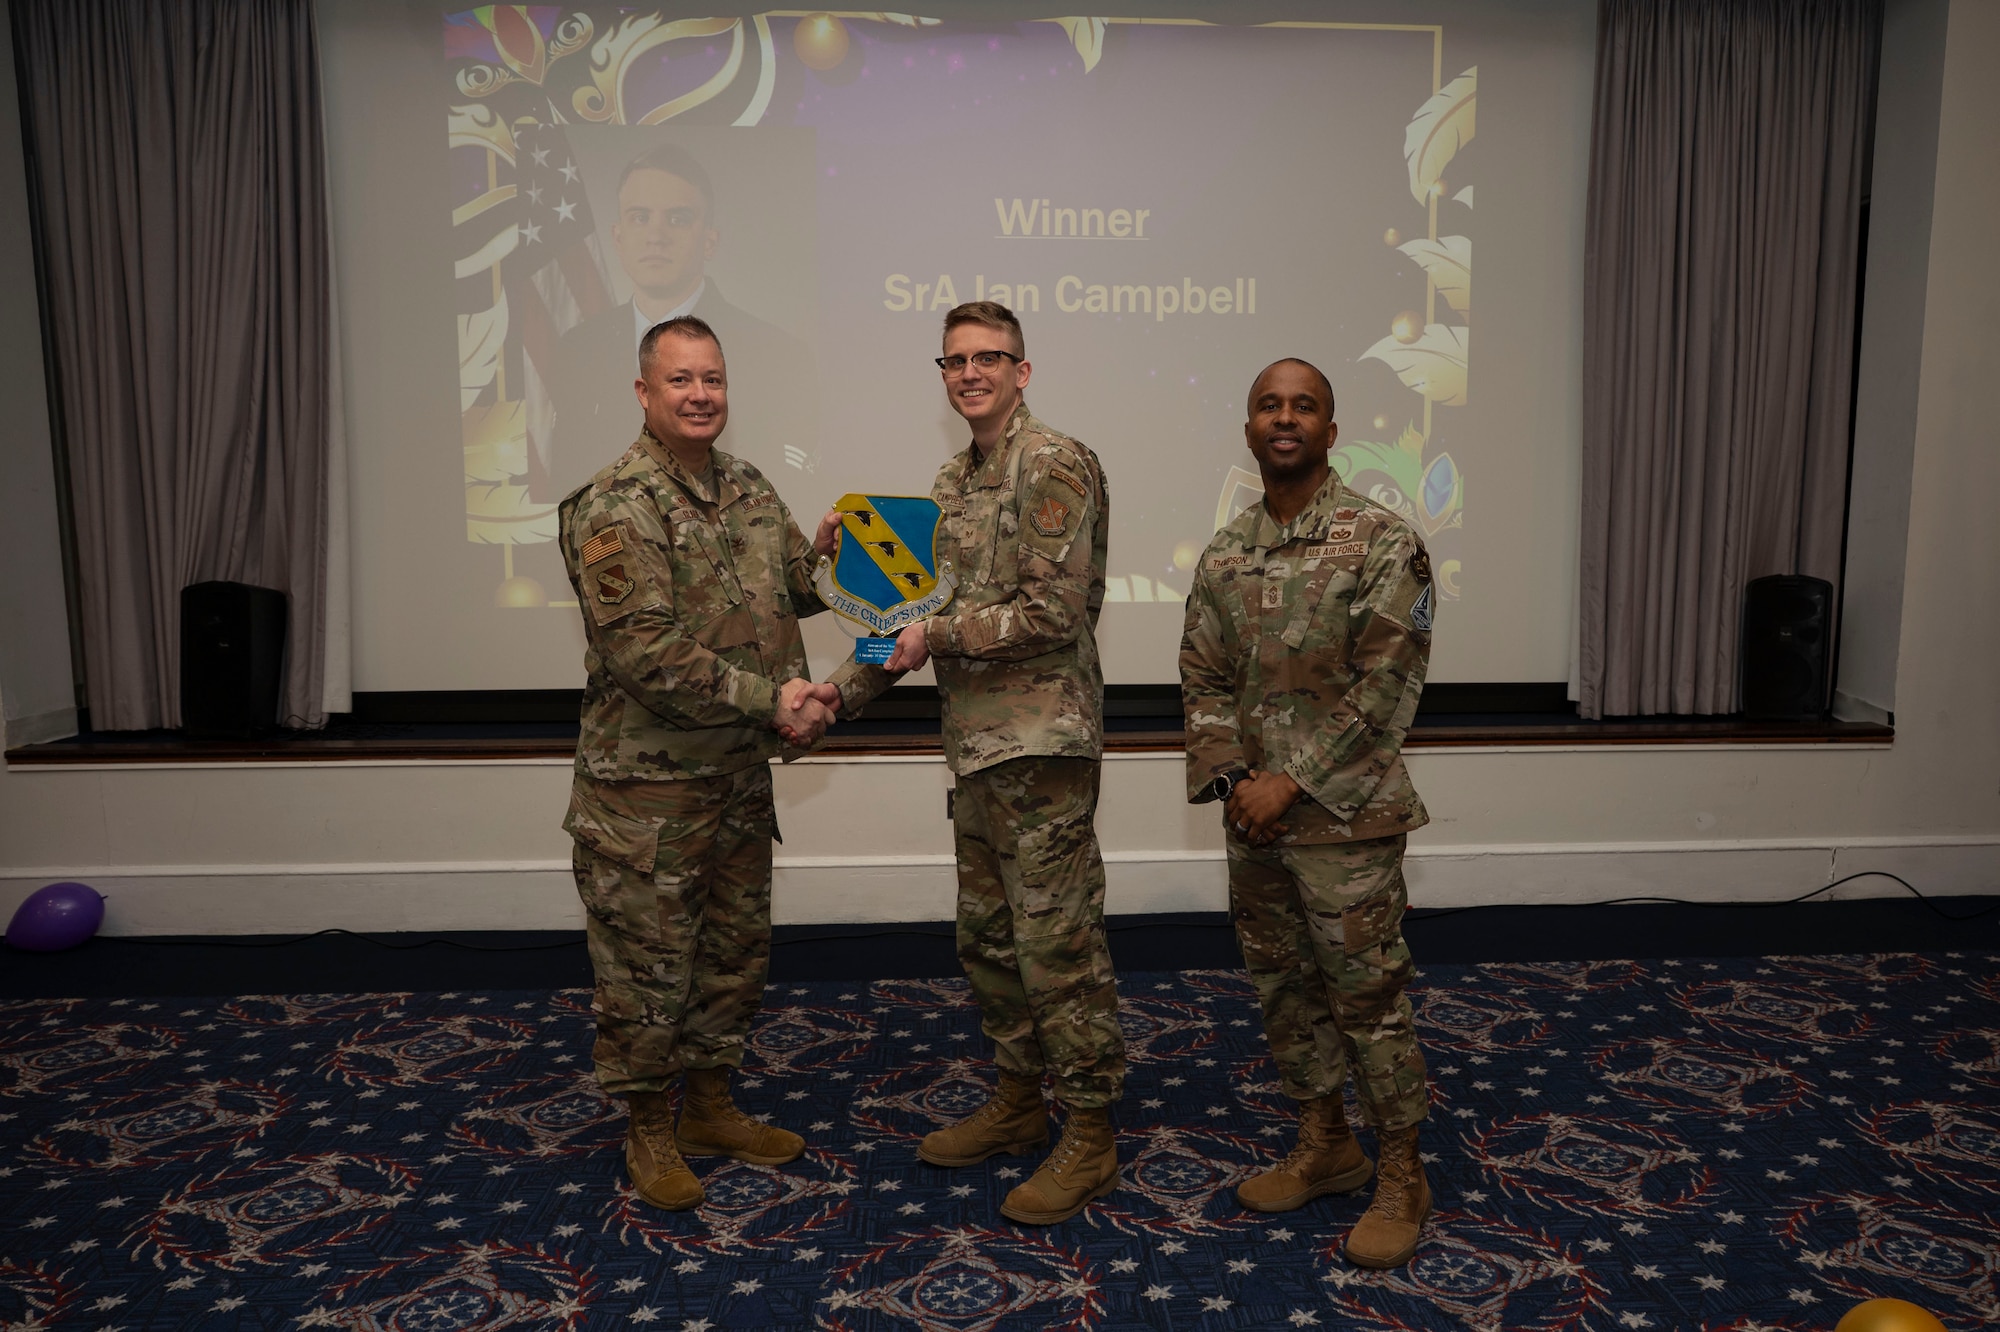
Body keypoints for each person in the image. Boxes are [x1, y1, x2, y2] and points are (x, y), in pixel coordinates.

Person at [802, 301, 1124, 1225]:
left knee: (1057, 949)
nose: (971, 373)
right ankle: (1020, 1102)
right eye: (955, 361)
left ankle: (1091, 1133)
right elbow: (905, 622)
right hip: (978, 754)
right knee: (988, 943)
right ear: (942, 375)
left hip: (1043, 750)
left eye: (990, 357)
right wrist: (835, 695)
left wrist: (934, 636)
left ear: (1023, 370)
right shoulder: (950, 484)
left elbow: (1053, 613)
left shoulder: (1054, 462)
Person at [556, 315, 836, 1212]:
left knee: (731, 957)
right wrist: (772, 700)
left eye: (711, 378)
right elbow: (645, 650)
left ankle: (710, 1107)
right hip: (648, 797)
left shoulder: (747, 485)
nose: (700, 394)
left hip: (735, 780)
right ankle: (648, 1124)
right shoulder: (615, 504)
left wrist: (834, 557)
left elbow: (791, 587)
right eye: (680, 380)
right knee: (647, 972)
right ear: (645, 393)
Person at [1178, 357, 1437, 1269]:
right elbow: (1203, 678)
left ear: (1331, 431)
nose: (1284, 418)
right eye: (1268, 405)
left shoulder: (1382, 541)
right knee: (1284, 991)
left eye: (1304, 406)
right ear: (1249, 429)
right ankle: (1326, 1144)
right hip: (1254, 820)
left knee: (1368, 1000)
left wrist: (1288, 782)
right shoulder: (1225, 551)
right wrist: (1234, 782)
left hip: (1347, 823)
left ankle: (1403, 1172)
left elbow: (1387, 683)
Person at [549, 144, 814, 497]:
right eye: (640, 217)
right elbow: (565, 478)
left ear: (709, 242)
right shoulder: (577, 349)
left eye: (677, 219)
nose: (656, 236)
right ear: (618, 238)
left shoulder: (777, 353)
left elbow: (794, 483)